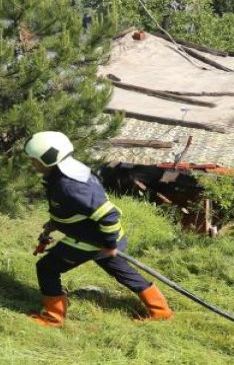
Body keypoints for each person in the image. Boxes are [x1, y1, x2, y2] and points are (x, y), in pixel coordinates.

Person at [24, 131, 173, 328]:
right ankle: (160, 310)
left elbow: (108, 215)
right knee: (120, 271)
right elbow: (75, 207)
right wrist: (55, 224)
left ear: (47, 159)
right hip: (106, 236)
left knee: (46, 268)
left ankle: (53, 317)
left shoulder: (67, 185)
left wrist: (109, 245)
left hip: (94, 240)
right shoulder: (70, 169)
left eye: (34, 160)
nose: (32, 164)